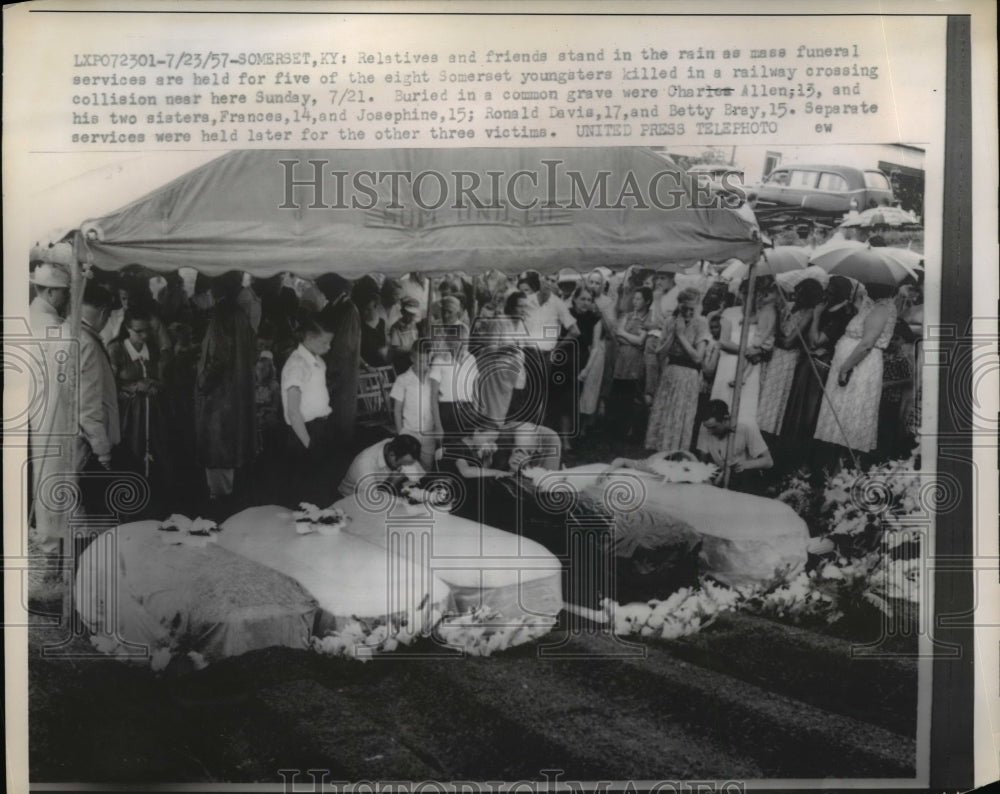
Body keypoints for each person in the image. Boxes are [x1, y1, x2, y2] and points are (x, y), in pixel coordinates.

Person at [195, 270, 257, 505]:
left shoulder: (222, 313)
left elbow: (219, 357)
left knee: (218, 449)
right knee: (230, 448)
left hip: (220, 396)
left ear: (217, 289)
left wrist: (203, 382)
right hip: (235, 392)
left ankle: (220, 504)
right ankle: (228, 500)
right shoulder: (240, 313)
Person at [814, 283, 898, 456]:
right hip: (852, 363)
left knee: (850, 414)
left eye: (869, 284)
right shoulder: (871, 306)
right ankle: (830, 465)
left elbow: (867, 344)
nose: (866, 287)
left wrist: (845, 367)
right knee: (838, 412)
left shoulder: (882, 309)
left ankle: (841, 468)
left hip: (860, 366)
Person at [781, 275, 857, 448]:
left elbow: (816, 340)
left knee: (808, 411)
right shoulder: (827, 309)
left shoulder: (842, 315)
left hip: (821, 367)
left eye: (830, 291)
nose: (826, 294)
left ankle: (800, 451)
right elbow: (810, 342)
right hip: (809, 360)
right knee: (796, 407)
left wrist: (816, 316)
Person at [107, 305, 173, 494]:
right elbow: (108, 385)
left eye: (148, 330)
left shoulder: (153, 349)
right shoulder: (116, 349)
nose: (144, 336)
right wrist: (134, 387)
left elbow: (164, 381)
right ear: (127, 328)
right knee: (130, 453)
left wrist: (154, 384)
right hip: (127, 416)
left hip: (153, 414)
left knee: (158, 452)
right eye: (139, 331)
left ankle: (155, 496)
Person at [646, 288, 712, 453]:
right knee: (665, 411)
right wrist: (673, 334)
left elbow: (698, 357)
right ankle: (658, 450)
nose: (688, 312)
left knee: (680, 414)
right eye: (685, 308)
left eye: (692, 309)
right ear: (679, 305)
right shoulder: (670, 321)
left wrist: (681, 336)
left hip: (689, 375)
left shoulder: (701, 323)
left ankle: (674, 451)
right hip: (670, 372)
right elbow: (660, 354)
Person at [758, 278, 825, 438]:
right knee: (762, 393)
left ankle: (767, 434)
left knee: (773, 398)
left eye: (802, 294)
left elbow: (789, 341)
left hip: (787, 358)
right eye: (797, 292)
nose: (797, 296)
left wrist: (775, 331)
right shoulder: (787, 307)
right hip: (773, 354)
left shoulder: (808, 313)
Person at [280, 314, 335, 505]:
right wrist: (308, 443)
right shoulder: (296, 364)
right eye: (325, 343)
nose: (328, 347)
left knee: (321, 484)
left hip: (320, 427)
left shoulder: (317, 360)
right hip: (303, 431)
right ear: (310, 338)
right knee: (306, 489)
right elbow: (293, 412)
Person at [514, 270, 579, 426]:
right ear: (538, 282)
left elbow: (575, 331)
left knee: (539, 396)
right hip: (526, 352)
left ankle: (535, 435)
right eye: (544, 279)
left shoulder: (558, 303)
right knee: (523, 393)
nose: (547, 283)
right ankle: (523, 435)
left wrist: (556, 348)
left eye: (551, 280)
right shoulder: (526, 301)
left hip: (545, 355)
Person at [316, 273, 361, 464]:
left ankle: (338, 466)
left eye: (325, 288)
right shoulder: (332, 307)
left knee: (340, 420)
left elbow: (343, 349)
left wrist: (330, 378)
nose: (323, 293)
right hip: (328, 372)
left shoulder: (349, 310)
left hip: (340, 376)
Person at [554, 285, 604, 446]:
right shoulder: (566, 314)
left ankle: (566, 437)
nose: (585, 303)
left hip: (580, 361)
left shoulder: (595, 319)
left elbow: (595, 347)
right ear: (575, 299)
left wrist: (587, 369)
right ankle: (562, 438)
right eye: (582, 299)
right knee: (560, 399)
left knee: (572, 399)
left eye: (589, 300)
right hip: (562, 359)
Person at [697, 399, 773, 494]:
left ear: (726, 419)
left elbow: (768, 461)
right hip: (722, 476)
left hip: (747, 477)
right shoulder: (706, 426)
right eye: (707, 428)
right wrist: (705, 478)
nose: (709, 432)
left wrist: (745, 464)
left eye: (714, 428)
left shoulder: (747, 426)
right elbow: (702, 461)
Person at [474, 292, 527, 428]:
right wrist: (506, 349)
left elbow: (521, 348)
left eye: (525, 307)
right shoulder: (499, 321)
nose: (523, 310)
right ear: (511, 307)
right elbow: (490, 349)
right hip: (493, 372)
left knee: (506, 415)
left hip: (510, 376)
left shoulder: (521, 325)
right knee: (491, 415)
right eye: (520, 306)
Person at [607, 286, 652, 441]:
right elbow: (617, 336)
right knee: (617, 392)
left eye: (639, 299)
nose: (635, 302)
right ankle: (615, 428)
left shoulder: (648, 319)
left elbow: (640, 342)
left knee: (631, 393)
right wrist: (629, 337)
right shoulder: (627, 315)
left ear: (647, 301)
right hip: (622, 357)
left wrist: (624, 334)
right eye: (634, 298)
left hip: (636, 359)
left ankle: (628, 430)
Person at [389, 341, 437, 468]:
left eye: (427, 361)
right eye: (420, 361)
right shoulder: (402, 380)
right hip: (409, 432)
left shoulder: (434, 378)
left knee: (427, 468)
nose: (424, 365)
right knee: (409, 470)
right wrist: (401, 433)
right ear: (412, 358)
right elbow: (397, 411)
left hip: (429, 432)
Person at [338, 433, 424, 497]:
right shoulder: (366, 465)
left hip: (382, 486)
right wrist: (393, 482)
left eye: (409, 463)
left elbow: (419, 478)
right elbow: (373, 502)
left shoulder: (396, 445)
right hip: (353, 498)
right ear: (392, 455)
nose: (404, 467)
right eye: (402, 464)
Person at [429, 334, 480, 437]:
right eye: (456, 346)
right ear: (449, 345)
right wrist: (438, 426)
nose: (461, 349)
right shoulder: (439, 360)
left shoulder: (471, 358)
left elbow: (475, 389)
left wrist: (476, 414)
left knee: (468, 448)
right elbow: (433, 396)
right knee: (449, 449)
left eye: (464, 345)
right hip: (447, 410)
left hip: (467, 409)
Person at [29, 262, 69, 336]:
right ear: (50, 292)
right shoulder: (52, 325)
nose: (67, 297)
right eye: (65, 292)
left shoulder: (30, 313)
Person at [388, 296, 421, 374]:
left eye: (413, 314)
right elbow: (396, 349)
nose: (411, 317)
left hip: (413, 361)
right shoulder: (396, 327)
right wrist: (412, 350)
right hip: (401, 363)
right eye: (409, 314)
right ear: (403, 312)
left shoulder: (414, 325)